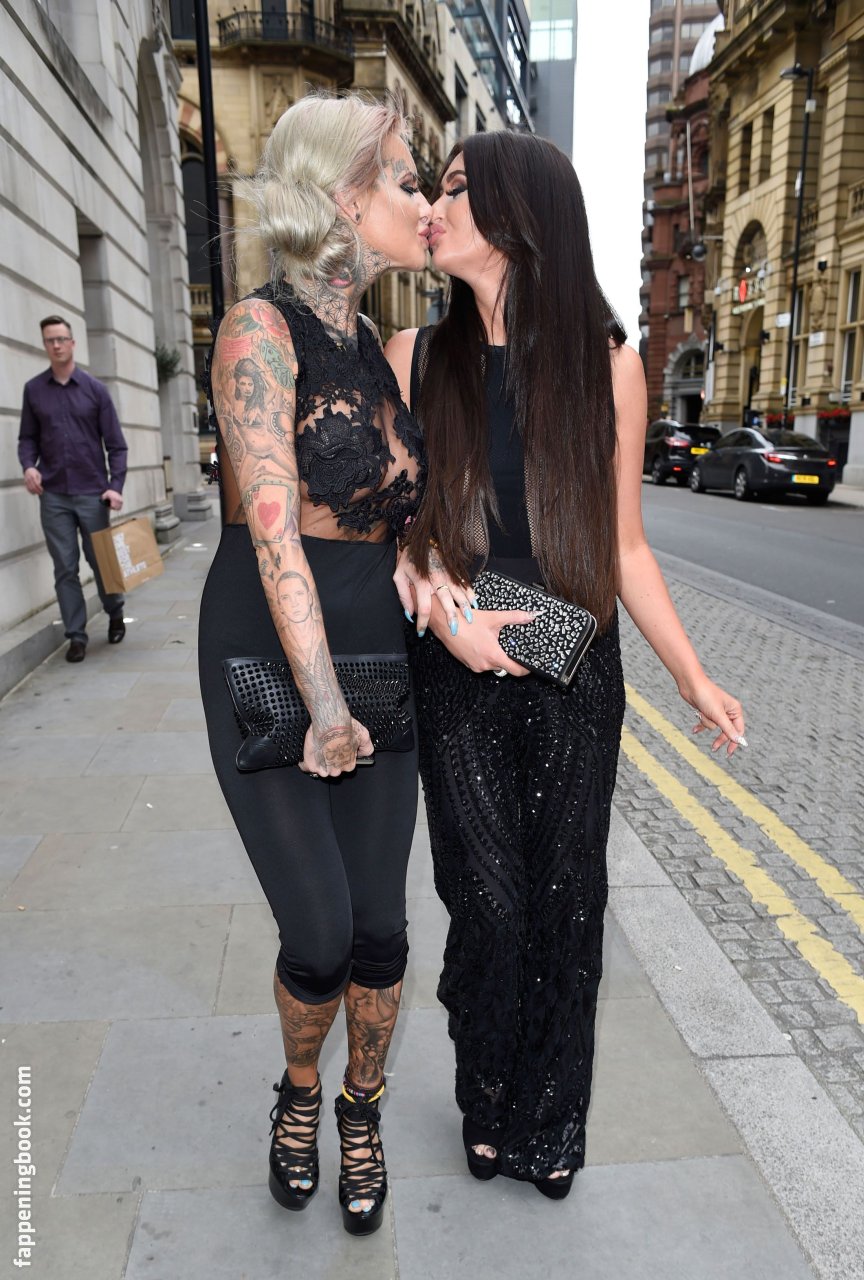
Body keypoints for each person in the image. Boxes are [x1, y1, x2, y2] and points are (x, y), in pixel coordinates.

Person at [384, 131, 747, 1199]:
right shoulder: (414, 357)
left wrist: (692, 675)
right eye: (434, 187)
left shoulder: (607, 364)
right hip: (458, 657)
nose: (435, 206)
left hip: (569, 653)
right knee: (485, 901)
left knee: (566, 904)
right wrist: (438, 597)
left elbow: (625, 544)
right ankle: (487, 1089)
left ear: (520, 214)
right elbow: (389, 522)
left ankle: (547, 1119)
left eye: (457, 189)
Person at [197, 93, 430, 1236]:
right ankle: (299, 1090)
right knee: (322, 930)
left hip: (382, 654)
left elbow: (406, 528)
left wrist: (516, 624)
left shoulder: (382, 351)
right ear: (343, 196)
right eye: (405, 180)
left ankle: (360, 1106)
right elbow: (274, 529)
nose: (422, 203)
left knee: (381, 928)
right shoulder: (258, 329)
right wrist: (324, 705)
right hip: (268, 654)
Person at [18, 315, 128, 663]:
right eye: (50, 340)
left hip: (93, 494)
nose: (57, 345)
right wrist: (29, 465)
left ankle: (114, 612)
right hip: (53, 495)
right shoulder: (34, 390)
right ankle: (76, 635)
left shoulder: (95, 390)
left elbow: (116, 445)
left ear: (72, 343)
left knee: (101, 561)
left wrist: (115, 486)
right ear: (45, 345)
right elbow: (27, 438)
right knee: (65, 567)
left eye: (62, 339)